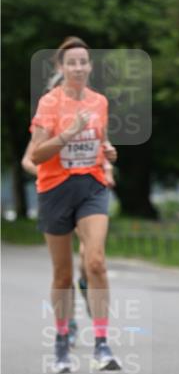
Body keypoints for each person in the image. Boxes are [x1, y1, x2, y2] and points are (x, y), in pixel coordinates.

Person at [30, 36, 120, 374]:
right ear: (61, 68)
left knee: (95, 262)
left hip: (91, 187)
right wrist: (68, 133)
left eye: (84, 61)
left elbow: (102, 141)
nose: (79, 67)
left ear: (90, 65)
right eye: (72, 63)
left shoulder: (99, 102)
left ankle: (101, 343)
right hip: (54, 189)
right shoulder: (49, 104)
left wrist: (108, 154)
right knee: (63, 273)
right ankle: (62, 339)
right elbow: (37, 154)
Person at [21, 139, 115, 341]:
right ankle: (69, 322)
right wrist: (48, 176)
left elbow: (105, 158)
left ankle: (86, 283)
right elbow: (28, 160)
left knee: (90, 258)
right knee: (63, 273)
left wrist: (108, 172)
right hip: (55, 195)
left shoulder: (91, 124)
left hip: (86, 197)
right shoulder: (47, 126)